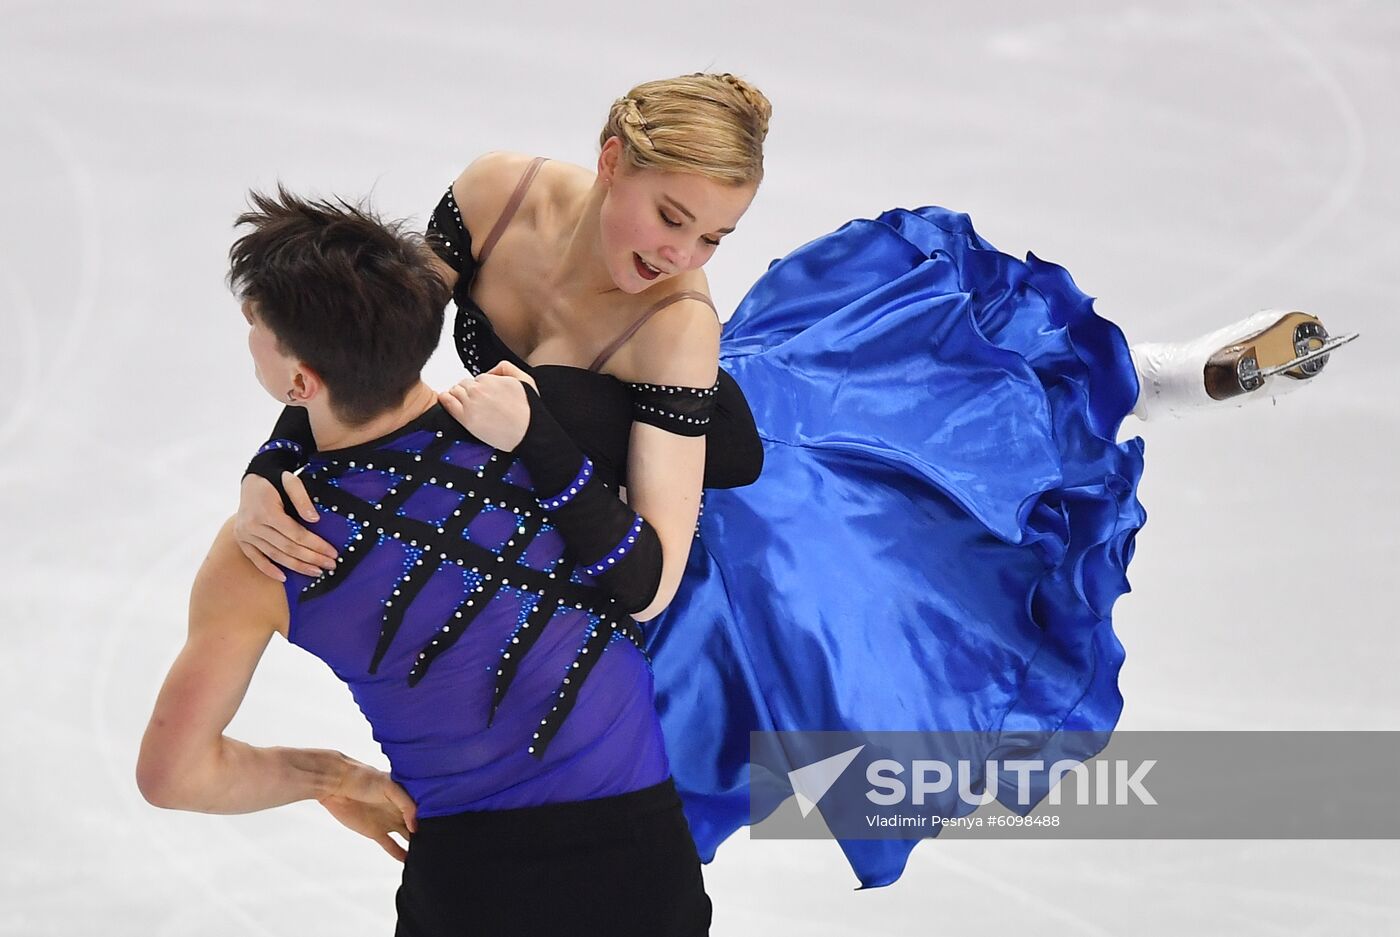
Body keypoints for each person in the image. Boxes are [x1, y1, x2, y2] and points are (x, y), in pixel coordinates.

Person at [232, 73, 1355, 888]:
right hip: (585, 485)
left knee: (974, 441)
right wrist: (271, 459)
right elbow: (369, 337)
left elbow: (656, 568)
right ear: (609, 156)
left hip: (720, 498)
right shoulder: (497, 196)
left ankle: (1161, 377)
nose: (679, 253)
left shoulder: (676, 324)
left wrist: (533, 439)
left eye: (714, 237)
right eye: (669, 214)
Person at [136, 189, 713, 936]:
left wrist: (331, 776)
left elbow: (173, 773)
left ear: (302, 381)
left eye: (258, 327)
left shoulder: (265, 549)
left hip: (474, 887)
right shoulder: (533, 428)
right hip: (648, 867)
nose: (250, 331)